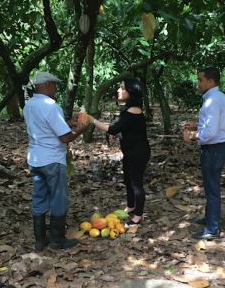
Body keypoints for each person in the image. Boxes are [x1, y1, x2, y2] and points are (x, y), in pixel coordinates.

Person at [24, 71, 89, 251]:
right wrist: (82, 129)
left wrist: (70, 122)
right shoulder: (51, 105)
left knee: (39, 196)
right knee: (58, 198)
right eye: (54, 84)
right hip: (52, 159)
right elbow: (66, 138)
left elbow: (47, 125)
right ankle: (57, 240)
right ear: (46, 85)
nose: (55, 88)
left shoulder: (29, 104)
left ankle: (40, 240)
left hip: (36, 159)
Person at [86, 77, 151, 225]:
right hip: (130, 151)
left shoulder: (134, 110)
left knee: (136, 183)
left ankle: (138, 215)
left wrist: (92, 120)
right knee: (128, 180)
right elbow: (124, 129)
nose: (118, 90)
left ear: (131, 91)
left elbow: (114, 128)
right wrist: (118, 134)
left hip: (138, 152)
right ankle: (131, 206)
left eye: (122, 88)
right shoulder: (128, 109)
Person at [182, 67, 225, 240]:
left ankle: (212, 229)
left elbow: (210, 133)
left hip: (214, 148)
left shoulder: (212, 101)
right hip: (219, 146)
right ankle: (209, 218)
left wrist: (193, 136)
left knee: (212, 189)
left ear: (210, 82)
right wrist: (197, 127)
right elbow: (216, 125)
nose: (198, 83)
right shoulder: (220, 98)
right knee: (210, 186)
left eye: (200, 80)